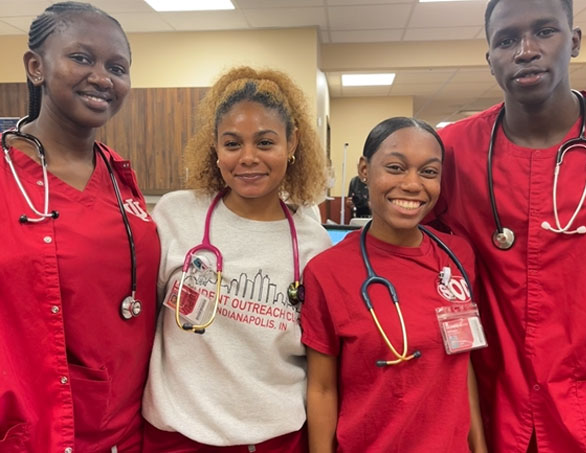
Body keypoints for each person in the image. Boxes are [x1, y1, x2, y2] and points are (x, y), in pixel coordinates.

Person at [434, 0, 586, 451]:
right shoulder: (450, 152)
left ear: (576, 42)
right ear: (490, 60)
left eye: (545, 32)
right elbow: (407, 252)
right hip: (491, 408)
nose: (526, 50)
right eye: (507, 40)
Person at [142, 66, 332, 452]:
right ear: (215, 146)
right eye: (232, 144)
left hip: (276, 440)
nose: (248, 158)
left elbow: (319, 368)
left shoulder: (314, 244)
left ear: (292, 142)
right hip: (177, 438)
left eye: (265, 143)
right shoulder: (175, 215)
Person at [0, 2, 160, 452]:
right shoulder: (7, 176)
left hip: (129, 428)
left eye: (117, 67)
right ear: (36, 66)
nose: (103, 78)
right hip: (38, 428)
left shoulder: (119, 174)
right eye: (82, 58)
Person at [301, 117, 487, 452]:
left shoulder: (457, 256)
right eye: (396, 167)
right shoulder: (327, 272)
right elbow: (322, 390)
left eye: (428, 172)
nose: (413, 184)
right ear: (364, 170)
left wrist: (480, 447)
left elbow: (462, 365)